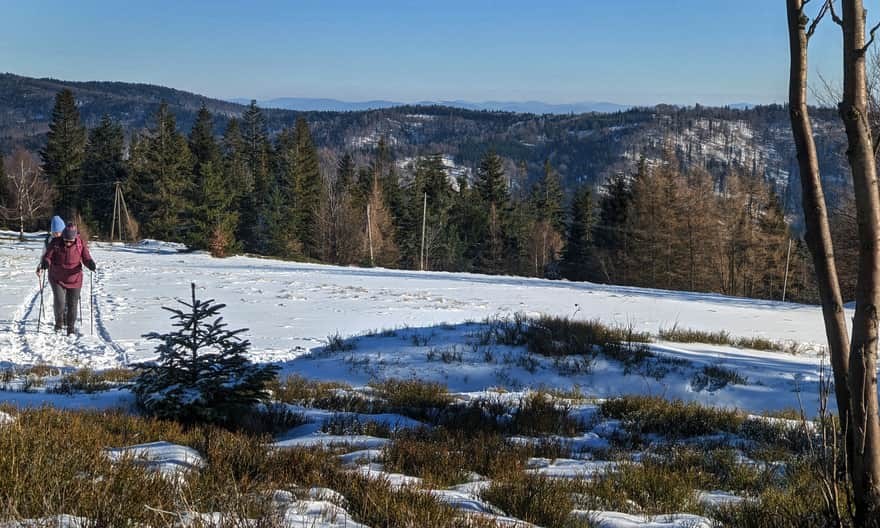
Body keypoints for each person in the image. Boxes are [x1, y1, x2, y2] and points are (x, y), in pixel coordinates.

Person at [38, 223, 97, 335]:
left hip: (75, 278)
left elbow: (86, 257)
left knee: (72, 304)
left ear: (75, 238)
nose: (68, 243)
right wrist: (46, 262)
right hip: (57, 277)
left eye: (70, 241)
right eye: (66, 240)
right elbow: (48, 256)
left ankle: (71, 328)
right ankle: (59, 324)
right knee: (60, 301)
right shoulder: (55, 243)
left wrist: (90, 263)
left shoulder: (80, 244)